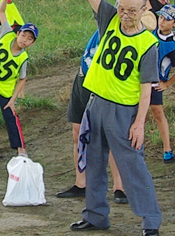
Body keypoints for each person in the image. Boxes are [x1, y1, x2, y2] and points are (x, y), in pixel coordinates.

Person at [71, 0, 163, 236]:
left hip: (123, 110)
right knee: (94, 161)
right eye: (122, 9)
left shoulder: (148, 44)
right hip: (96, 102)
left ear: (144, 10)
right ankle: (95, 215)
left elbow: (147, 88)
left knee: (132, 165)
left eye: (131, 11)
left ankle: (150, 220)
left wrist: (139, 123)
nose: (124, 15)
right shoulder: (110, 19)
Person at [54, 13, 128, 204]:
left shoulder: (122, 28)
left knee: (109, 135)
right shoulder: (107, 18)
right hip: (81, 79)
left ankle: (119, 186)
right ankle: (81, 183)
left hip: (100, 85)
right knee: (77, 132)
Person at [0, 22, 37, 160]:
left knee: (11, 117)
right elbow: (1, 11)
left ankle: (21, 149)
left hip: (5, 90)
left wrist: (13, 99)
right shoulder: (6, 34)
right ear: (17, 34)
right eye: (23, 35)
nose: (24, 40)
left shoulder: (23, 58)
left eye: (29, 39)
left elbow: (22, 79)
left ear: (32, 43)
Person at [149, 7, 175, 163]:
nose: (162, 21)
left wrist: (167, 84)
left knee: (158, 113)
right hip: (139, 80)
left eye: (167, 19)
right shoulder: (151, 33)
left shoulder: (171, 47)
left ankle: (167, 149)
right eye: (161, 18)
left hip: (155, 83)